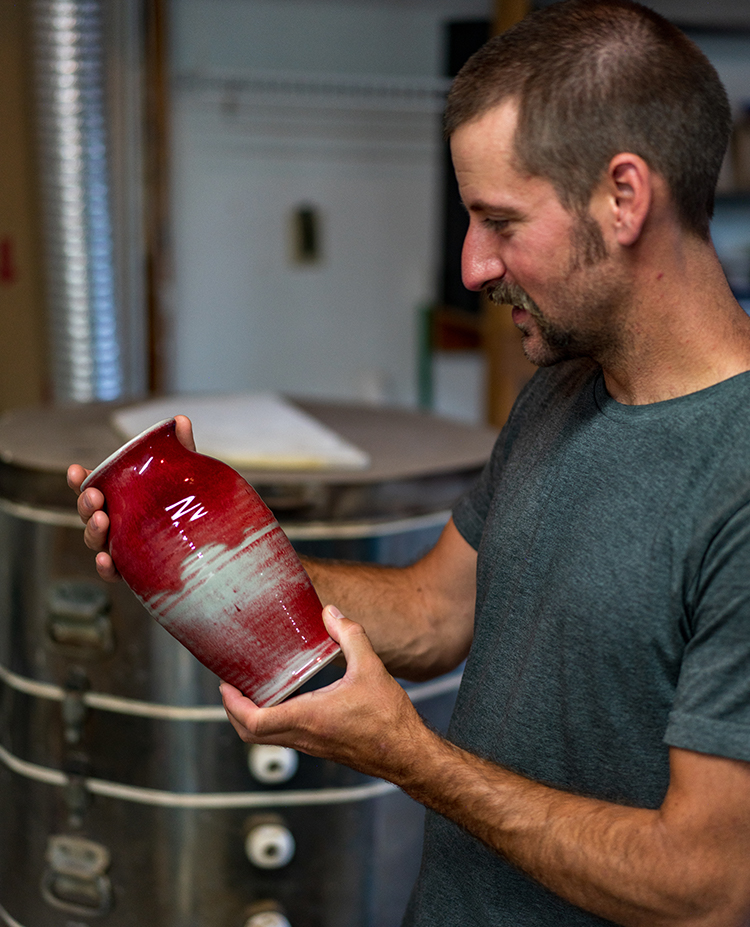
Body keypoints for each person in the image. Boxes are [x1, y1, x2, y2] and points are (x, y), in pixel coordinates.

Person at [67, 1, 750, 924]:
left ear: (625, 198)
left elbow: (707, 888)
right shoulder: (567, 385)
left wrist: (406, 754)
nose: (472, 265)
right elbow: (436, 610)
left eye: (499, 221)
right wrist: (205, 566)